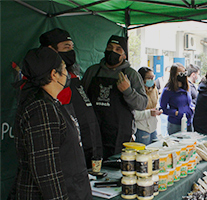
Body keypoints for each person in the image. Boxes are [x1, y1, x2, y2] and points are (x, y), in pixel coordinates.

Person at [12, 47, 91, 199]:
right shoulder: (41, 108)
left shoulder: (49, 102)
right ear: (54, 75)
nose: (67, 73)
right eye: (63, 68)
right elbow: (47, 173)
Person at [39, 28, 103, 168]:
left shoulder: (73, 73)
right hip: (70, 156)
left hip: (90, 146)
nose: (71, 52)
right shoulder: (48, 83)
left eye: (72, 47)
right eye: (66, 47)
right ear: (50, 50)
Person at [82, 35, 148, 159]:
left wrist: (128, 91)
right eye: (110, 47)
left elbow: (142, 104)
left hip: (120, 136)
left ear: (124, 55)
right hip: (93, 133)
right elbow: (82, 99)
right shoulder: (92, 71)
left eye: (118, 49)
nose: (113, 51)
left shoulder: (131, 74)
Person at [160, 63, 194, 134]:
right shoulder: (168, 90)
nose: (183, 74)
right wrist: (175, 113)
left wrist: (191, 109)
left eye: (184, 72)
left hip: (188, 121)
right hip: (175, 123)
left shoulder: (187, 88)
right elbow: (162, 108)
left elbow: (188, 103)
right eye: (180, 72)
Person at [134, 67, 163, 145]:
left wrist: (157, 110)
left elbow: (155, 105)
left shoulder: (154, 90)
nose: (152, 80)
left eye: (153, 77)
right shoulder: (136, 93)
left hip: (153, 127)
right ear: (141, 79)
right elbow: (134, 114)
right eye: (149, 78)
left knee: (155, 148)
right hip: (142, 127)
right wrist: (149, 112)